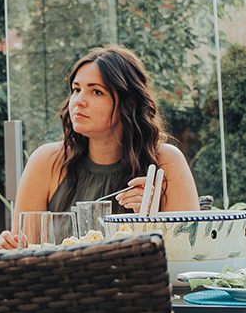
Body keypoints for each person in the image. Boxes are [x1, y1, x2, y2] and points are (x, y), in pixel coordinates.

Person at [10, 45, 197, 219]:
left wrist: (150, 221)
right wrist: (8, 246)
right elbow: (24, 248)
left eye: (96, 92)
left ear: (128, 104)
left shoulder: (166, 163)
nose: (78, 101)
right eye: (76, 89)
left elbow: (193, 248)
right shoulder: (46, 161)